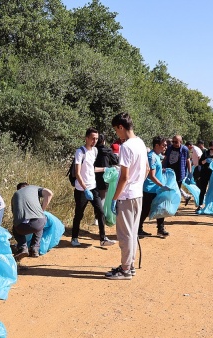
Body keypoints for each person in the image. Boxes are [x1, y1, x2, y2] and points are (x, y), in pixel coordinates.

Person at [105, 112, 148, 280]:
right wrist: (138, 185)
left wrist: (115, 198)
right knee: (133, 232)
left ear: (121, 127)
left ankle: (125, 270)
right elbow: (145, 169)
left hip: (127, 196)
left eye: (116, 130)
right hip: (138, 194)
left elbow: (124, 177)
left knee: (125, 234)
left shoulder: (127, 146)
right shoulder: (140, 143)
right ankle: (129, 266)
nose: (117, 134)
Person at [71, 127, 116, 248]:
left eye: (96, 138)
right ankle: (74, 238)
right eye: (92, 138)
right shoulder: (80, 152)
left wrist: (105, 169)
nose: (94, 141)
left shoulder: (95, 151)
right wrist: (85, 188)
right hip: (82, 190)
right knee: (79, 214)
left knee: (101, 212)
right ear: (86, 138)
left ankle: (103, 239)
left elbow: (91, 169)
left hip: (93, 187)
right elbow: (78, 172)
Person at [11, 182, 54, 259]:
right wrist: (42, 210)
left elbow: (15, 216)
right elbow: (49, 193)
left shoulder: (14, 196)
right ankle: (34, 249)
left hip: (21, 227)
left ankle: (23, 247)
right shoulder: (34, 188)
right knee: (40, 224)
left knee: (15, 228)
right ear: (28, 187)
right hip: (37, 223)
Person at [138, 137, 170, 238]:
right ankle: (138, 229)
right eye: (163, 145)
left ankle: (160, 228)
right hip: (149, 189)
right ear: (156, 145)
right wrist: (162, 185)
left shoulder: (156, 156)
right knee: (145, 210)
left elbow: (155, 171)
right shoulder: (151, 156)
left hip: (156, 188)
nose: (166, 147)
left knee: (161, 207)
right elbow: (151, 175)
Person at [162, 135, 192, 206]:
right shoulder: (169, 148)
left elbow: (188, 161)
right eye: (173, 142)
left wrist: (190, 172)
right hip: (168, 173)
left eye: (176, 142)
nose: (174, 143)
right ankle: (169, 204)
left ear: (180, 142)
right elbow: (165, 158)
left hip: (179, 173)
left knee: (176, 190)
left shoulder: (185, 149)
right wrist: (161, 167)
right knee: (168, 188)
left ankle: (173, 205)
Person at [94, 133, 119, 203]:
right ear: (103, 141)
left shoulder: (93, 150)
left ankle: (98, 212)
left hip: (93, 176)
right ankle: (101, 213)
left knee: (96, 197)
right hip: (105, 177)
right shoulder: (108, 150)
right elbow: (115, 161)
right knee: (103, 197)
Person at [195, 142, 213, 212]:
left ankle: (211, 205)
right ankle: (200, 205)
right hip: (204, 173)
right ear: (209, 147)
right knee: (203, 189)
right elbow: (200, 163)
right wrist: (205, 160)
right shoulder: (205, 153)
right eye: (211, 148)